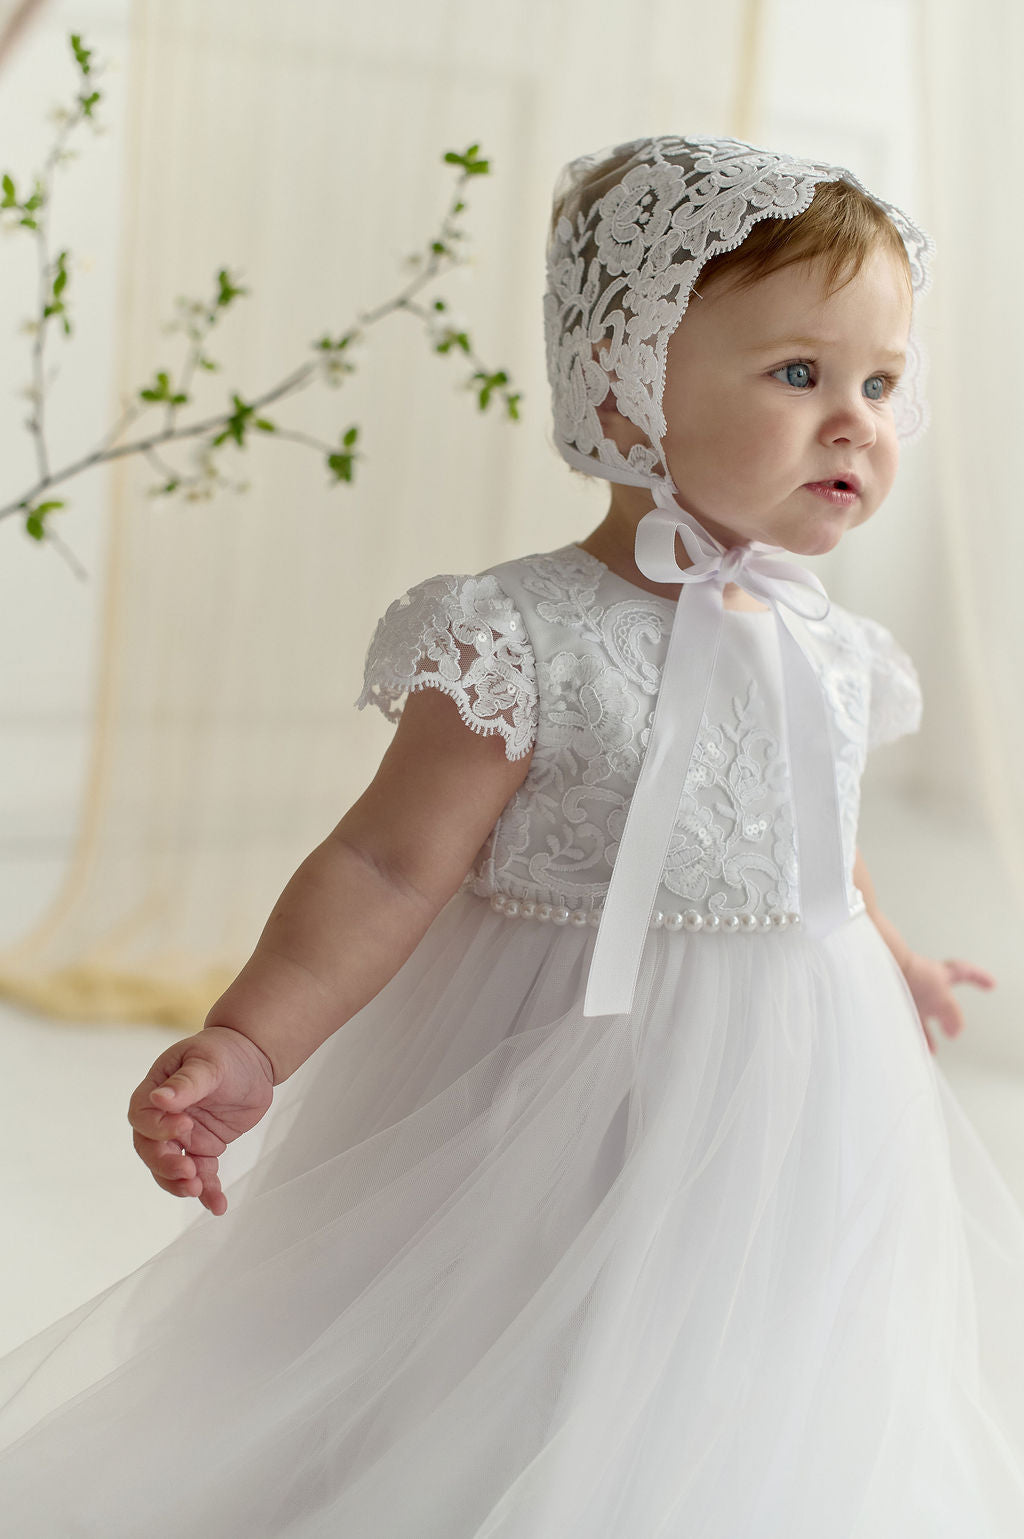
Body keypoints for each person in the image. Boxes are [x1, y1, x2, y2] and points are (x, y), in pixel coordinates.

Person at [2, 133, 1023, 1537]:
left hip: (800, 1074)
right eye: (799, 374)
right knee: (527, 1318)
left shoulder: (826, 642)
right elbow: (383, 862)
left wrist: (891, 955)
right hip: (560, 1062)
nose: (855, 422)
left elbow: (806, 831)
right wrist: (250, 1040)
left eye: (881, 383)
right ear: (624, 381)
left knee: (764, 1329)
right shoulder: (527, 635)